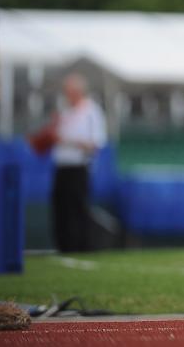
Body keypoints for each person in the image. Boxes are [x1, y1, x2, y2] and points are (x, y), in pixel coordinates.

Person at [51, 73, 107, 253]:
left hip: (79, 168)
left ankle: (82, 247)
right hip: (61, 167)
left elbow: (96, 144)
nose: (66, 95)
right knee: (61, 209)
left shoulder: (91, 111)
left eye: (69, 91)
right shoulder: (65, 112)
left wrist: (70, 141)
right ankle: (63, 247)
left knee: (78, 209)